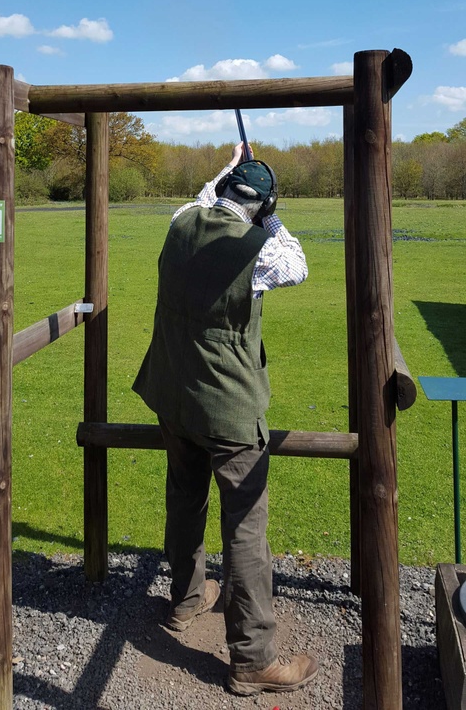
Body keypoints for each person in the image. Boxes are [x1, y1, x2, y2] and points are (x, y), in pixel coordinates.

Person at [133, 143, 318, 696]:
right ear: (261, 205)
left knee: (184, 498)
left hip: (173, 392)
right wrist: (271, 217)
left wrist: (229, 168)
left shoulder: (182, 221)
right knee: (245, 528)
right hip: (228, 406)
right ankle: (253, 659)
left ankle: (187, 599)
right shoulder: (259, 248)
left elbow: (201, 199)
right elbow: (298, 264)